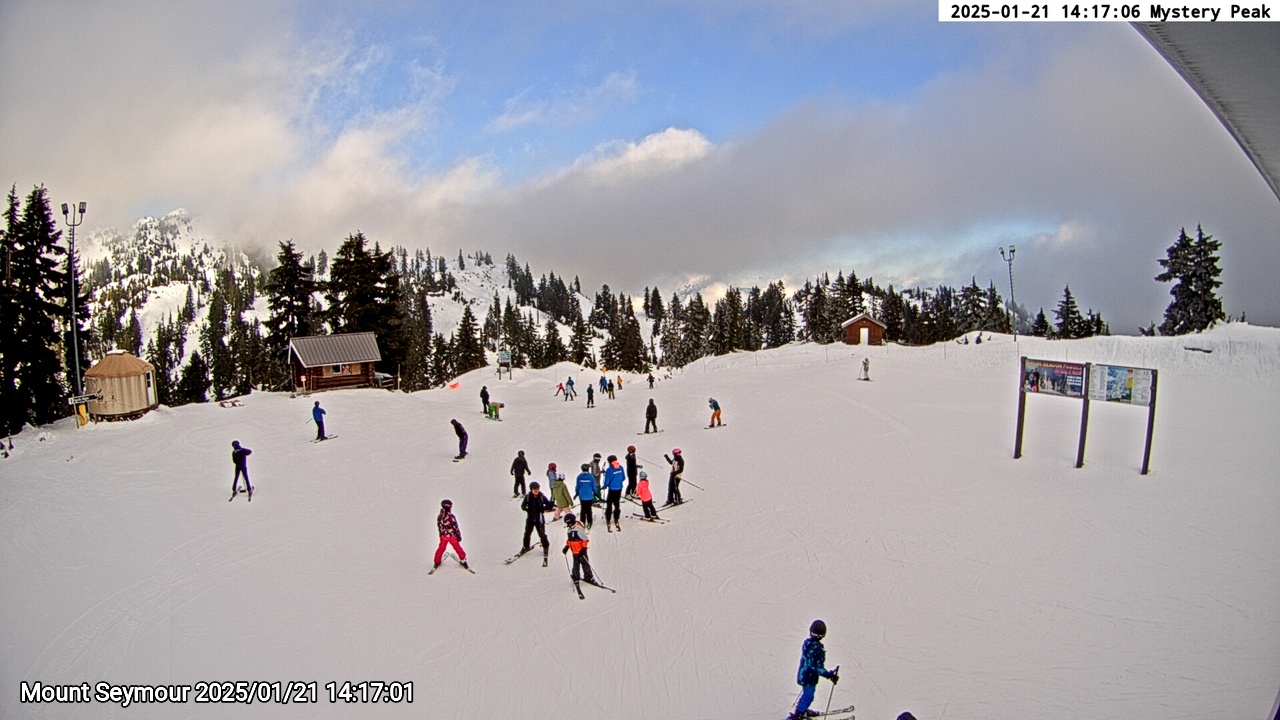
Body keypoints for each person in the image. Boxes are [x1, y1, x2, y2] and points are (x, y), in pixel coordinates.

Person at [790, 619, 839, 720]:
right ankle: (799, 714)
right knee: (808, 696)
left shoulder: (807, 643)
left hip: (803, 674)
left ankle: (802, 709)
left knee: (806, 694)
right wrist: (830, 675)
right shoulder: (818, 650)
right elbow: (818, 668)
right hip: (809, 678)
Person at [520, 481, 555, 563]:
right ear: (531, 489)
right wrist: (527, 509)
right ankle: (526, 546)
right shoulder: (528, 497)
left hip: (539, 519)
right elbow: (523, 506)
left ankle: (545, 547)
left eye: (537, 489)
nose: (536, 490)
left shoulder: (541, 496)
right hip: (530, 519)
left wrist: (545, 507)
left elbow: (549, 505)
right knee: (527, 533)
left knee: (541, 534)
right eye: (534, 489)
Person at [433, 499, 469, 570]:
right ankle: (463, 560)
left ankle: (437, 561)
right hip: (452, 536)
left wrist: (441, 534)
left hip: (444, 536)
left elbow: (439, 526)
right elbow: (455, 527)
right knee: (457, 547)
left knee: (441, 548)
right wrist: (458, 535)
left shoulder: (440, 516)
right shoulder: (451, 517)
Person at [561, 512, 595, 584]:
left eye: (569, 524)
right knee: (575, 565)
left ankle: (589, 577)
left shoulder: (578, 529)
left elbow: (585, 539)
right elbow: (570, 540)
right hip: (574, 551)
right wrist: (567, 546)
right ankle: (575, 576)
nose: (568, 525)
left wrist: (583, 549)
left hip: (581, 551)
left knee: (585, 564)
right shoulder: (569, 529)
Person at [602, 454, 626, 532]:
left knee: (609, 503)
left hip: (612, 489)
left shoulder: (609, 469)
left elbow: (607, 480)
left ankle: (608, 517)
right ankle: (616, 517)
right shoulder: (621, 467)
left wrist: (605, 486)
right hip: (619, 488)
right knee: (617, 503)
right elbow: (623, 477)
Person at [574, 463, 597, 529]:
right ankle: (589, 521)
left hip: (582, 496)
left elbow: (577, 487)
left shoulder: (579, 477)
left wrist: (577, 493)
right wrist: (595, 492)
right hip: (589, 496)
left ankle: (582, 522)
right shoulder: (591, 477)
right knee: (589, 509)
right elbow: (594, 486)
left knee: (583, 509)